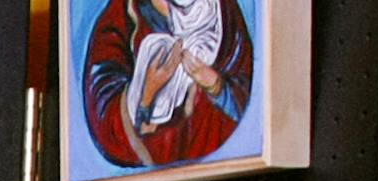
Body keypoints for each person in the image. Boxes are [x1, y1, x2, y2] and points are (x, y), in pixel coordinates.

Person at [81, 0, 253, 170]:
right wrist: (147, 93)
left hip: (218, 167)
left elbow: (246, 100)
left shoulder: (221, 11)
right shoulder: (123, 13)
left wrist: (216, 86)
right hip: (154, 178)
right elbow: (104, 116)